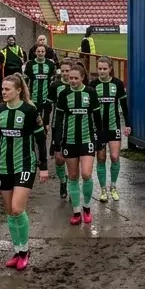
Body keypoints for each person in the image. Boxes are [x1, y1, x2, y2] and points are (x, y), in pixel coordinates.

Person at [0, 74, 49, 270]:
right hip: (4, 166)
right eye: (2, 89)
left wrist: (43, 166)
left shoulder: (29, 110)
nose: (3, 92)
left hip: (25, 164)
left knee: (18, 209)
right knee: (10, 211)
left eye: (7, 89)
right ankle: (18, 251)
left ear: (18, 90)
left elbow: (40, 139)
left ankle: (25, 250)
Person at [52, 61, 102, 225]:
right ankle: (76, 211)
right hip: (69, 141)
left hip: (87, 139)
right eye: (70, 78)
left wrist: (99, 139)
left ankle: (87, 208)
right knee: (73, 176)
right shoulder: (64, 95)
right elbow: (58, 121)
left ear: (83, 78)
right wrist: (57, 144)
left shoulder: (90, 93)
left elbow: (97, 118)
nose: (72, 80)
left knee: (86, 174)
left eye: (75, 78)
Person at [91, 58, 131, 201]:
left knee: (114, 157)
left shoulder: (118, 84)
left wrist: (128, 124)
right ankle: (103, 190)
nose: (101, 71)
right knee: (101, 159)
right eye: (99, 69)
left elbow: (124, 106)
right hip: (99, 129)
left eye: (104, 69)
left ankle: (113, 186)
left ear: (110, 69)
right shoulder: (93, 85)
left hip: (114, 127)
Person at [50, 59, 74, 199]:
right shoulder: (55, 86)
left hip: (72, 127)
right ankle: (63, 182)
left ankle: (72, 184)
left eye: (67, 71)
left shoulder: (79, 86)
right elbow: (49, 106)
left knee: (71, 159)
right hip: (57, 126)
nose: (65, 74)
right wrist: (46, 123)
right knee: (59, 159)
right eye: (63, 71)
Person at [24, 44, 57, 140]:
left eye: (42, 51)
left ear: (45, 53)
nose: (40, 53)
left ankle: (44, 136)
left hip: (46, 98)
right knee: (33, 118)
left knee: (45, 120)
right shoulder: (30, 64)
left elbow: (53, 80)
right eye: (38, 51)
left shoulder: (50, 64)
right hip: (33, 98)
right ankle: (33, 135)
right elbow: (25, 80)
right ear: (35, 52)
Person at [0, 36, 25, 102]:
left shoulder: (19, 49)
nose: (11, 41)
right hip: (7, 71)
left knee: (17, 85)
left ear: (14, 41)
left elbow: (22, 60)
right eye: (9, 40)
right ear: (7, 41)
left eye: (12, 40)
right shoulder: (4, 50)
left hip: (17, 71)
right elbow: (0, 61)